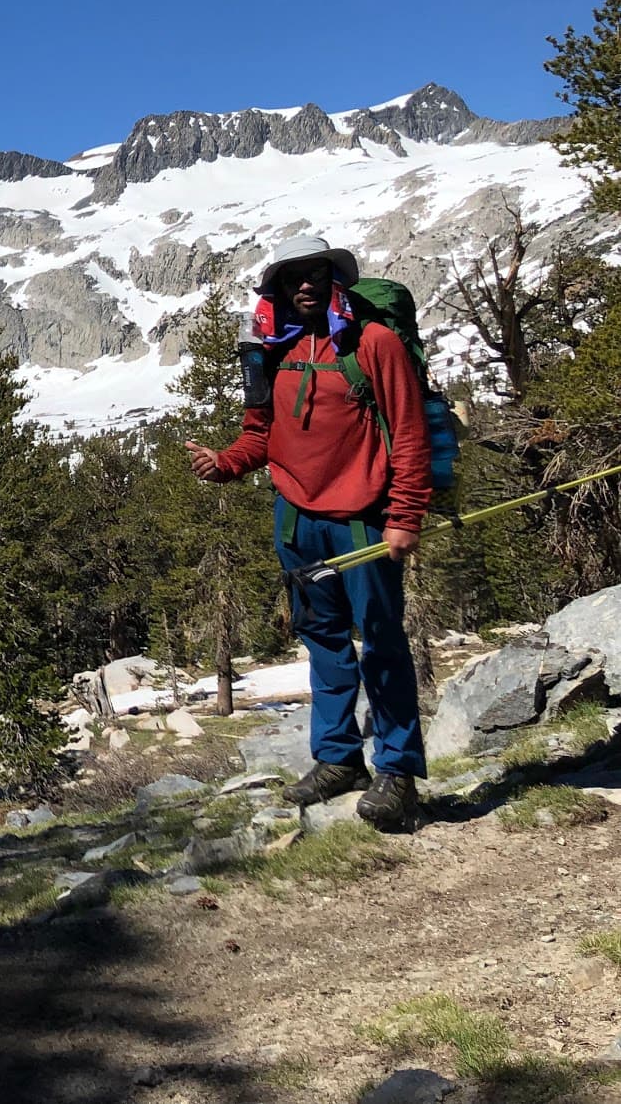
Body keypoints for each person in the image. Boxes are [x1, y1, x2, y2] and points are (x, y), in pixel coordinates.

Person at [185, 234, 432, 829]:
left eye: (317, 274)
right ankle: (338, 760)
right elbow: (260, 434)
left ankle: (397, 772)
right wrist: (226, 463)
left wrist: (404, 516)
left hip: (361, 520)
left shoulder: (373, 344)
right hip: (295, 519)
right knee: (322, 640)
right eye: (294, 276)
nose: (306, 284)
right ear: (275, 285)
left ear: (334, 280)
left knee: (382, 641)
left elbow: (410, 432)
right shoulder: (269, 351)